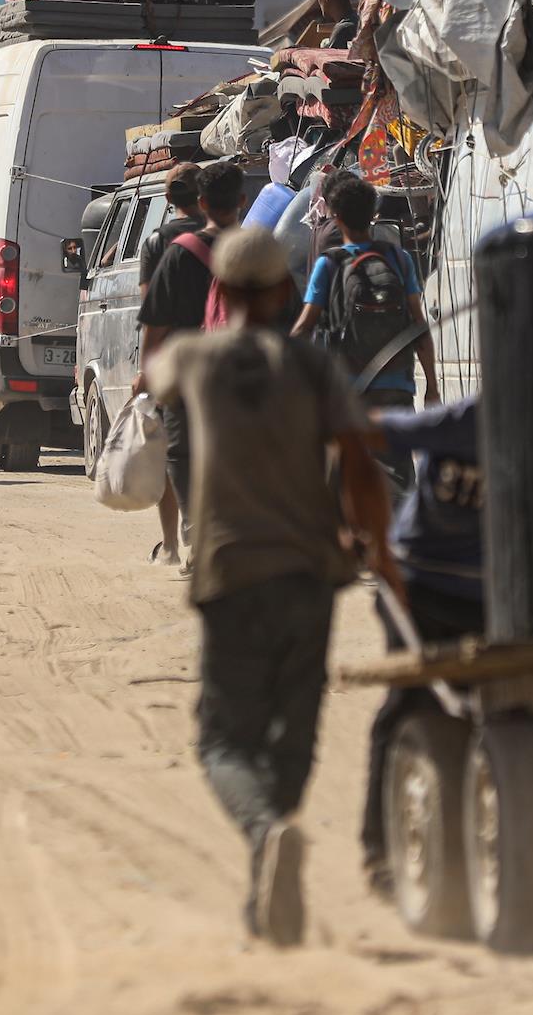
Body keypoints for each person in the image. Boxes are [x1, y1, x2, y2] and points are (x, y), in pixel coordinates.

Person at [144, 227, 398, 948]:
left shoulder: (194, 358)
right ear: (288, 291)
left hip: (230, 575)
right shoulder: (314, 366)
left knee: (224, 741)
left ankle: (265, 833)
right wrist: (378, 549)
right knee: (296, 733)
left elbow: (154, 380)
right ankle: (278, 830)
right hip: (309, 575)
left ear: (219, 294)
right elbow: (358, 465)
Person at [355, 396, 482, 897]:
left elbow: (373, 432)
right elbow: (374, 431)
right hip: (437, 591)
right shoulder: (468, 418)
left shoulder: (485, 417)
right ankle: (380, 849)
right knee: (409, 705)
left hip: (457, 591)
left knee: (431, 711)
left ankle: (399, 851)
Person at [135, 161, 243, 567]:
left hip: (181, 366)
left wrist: (147, 372)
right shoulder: (252, 247)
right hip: (234, 364)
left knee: (178, 454)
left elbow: (153, 312)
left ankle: (175, 542)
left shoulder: (167, 248)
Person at [290, 172, 440, 437]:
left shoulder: (329, 263)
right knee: (399, 465)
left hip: (346, 388)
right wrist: (432, 386)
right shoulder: (399, 258)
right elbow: (419, 326)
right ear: (374, 214)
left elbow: (303, 329)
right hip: (397, 384)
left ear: (335, 216)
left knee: (349, 470)